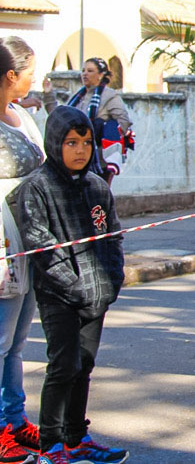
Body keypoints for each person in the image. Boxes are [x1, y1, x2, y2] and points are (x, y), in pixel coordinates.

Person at [10, 105, 128, 464]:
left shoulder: (96, 186)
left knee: (85, 364)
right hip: (59, 297)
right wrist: (76, 289)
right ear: (54, 143)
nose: (80, 150)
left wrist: (110, 283)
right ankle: (52, 445)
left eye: (87, 142)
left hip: (98, 295)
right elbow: (41, 247)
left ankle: (78, 437)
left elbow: (113, 238)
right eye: (71, 142)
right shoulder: (37, 189)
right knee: (64, 366)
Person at [0, 37, 45, 463]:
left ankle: (12, 420)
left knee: (16, 342)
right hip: (3, 244)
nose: (37, 77)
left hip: (29, 242)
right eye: (31, 70)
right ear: (11, 75)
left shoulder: (19, 114)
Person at [42, 58, 132, 184]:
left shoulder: (109, 96)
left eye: (90, 71)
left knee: (97, 196)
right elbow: (61, 119)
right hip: (75, 155)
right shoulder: (78, 97)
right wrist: (48, 94)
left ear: (101, 75)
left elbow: (123, 122)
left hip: (98, 161)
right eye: (83, 70)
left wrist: (101, 131)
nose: (85, 74)